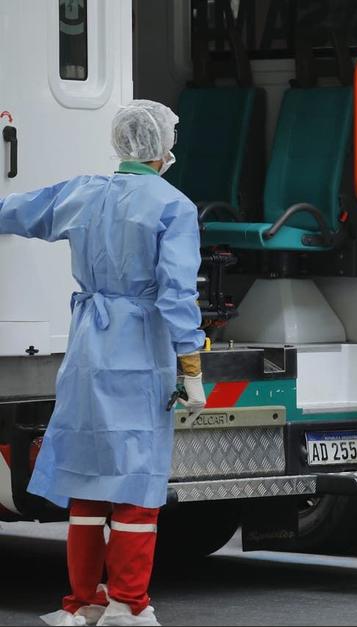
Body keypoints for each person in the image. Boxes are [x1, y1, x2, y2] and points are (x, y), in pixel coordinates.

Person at [0, 100, 207, 626]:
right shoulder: (173, 206)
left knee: (88, 480)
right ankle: (128, 605)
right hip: (140, 353)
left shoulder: (82, 193)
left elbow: (15, 211)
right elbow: (177, 296)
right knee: (136, 486)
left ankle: (83, 602)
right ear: (162, 149)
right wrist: (192, 372)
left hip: (87, 350)